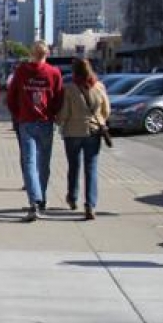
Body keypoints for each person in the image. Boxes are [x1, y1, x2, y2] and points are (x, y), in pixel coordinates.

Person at [6, 41, 64, 222]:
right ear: (47, 54)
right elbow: (58, 98)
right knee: (43, 163)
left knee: (29, 162)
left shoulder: (22, 71)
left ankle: (34, 201)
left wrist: (19, 113)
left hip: (27, 122)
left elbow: (11, 96)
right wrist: (51, 113)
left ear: (32, 53)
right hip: (45, 121)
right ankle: (41, 199)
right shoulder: (54, 73)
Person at [56, 57, 110, 221]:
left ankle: (72, 198)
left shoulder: (69, 89)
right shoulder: (99, 87)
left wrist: (59, 122)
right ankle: (90, 205)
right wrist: (99, 120)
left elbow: (64, 113)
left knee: (74, 166)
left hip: (73, 132)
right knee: (91, 167)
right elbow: (106, 110)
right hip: (93, 131)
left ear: (74, 71)